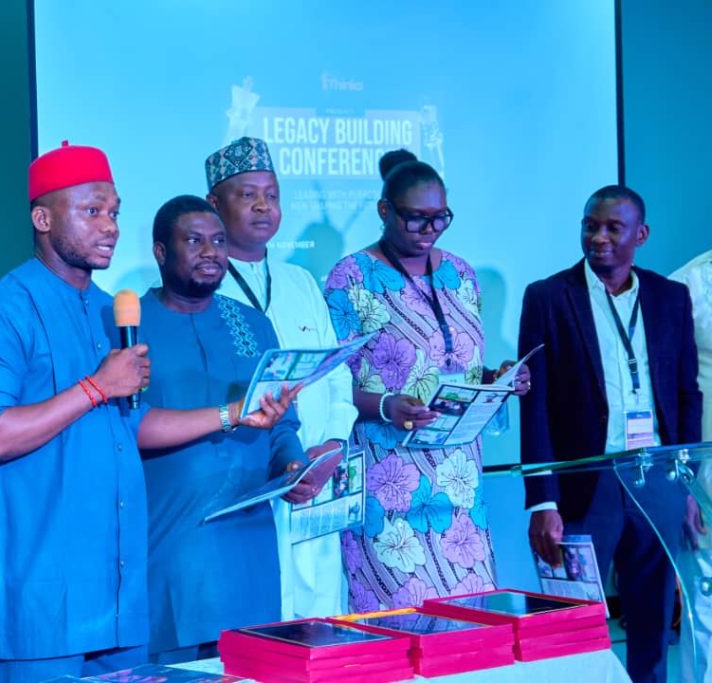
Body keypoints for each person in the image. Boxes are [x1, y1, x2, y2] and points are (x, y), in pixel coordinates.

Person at [0, 143, 297, 682]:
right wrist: (96, 386)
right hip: (48, 592)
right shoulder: (1, 310)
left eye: (114, 212)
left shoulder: (109, 310)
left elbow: (135, 424)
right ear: (43, 219)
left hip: (122, 589)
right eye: (92, 211)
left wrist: (233, 414)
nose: (110, 227)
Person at [323, 150, 530, 612]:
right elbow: (328, 386)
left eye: (441, 218)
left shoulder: (461, 273)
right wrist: (385, 405)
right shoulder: (350, 278)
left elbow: (459, 366)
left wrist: (497, 380)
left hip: (461, 487)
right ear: (384, 210)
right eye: (417, 218)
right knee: (399, 623)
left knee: (468, 624)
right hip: (387, 483)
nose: (430, 229)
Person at [520, 185, 702, 683]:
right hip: (585, 481)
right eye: (590, 226)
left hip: (656, 477)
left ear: (640, 235)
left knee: (653, 625)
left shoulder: (670, 297)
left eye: (613, 228)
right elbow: (535, 405)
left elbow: (687, 394)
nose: (598, 237)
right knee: (570, 624)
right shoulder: (548, 297)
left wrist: (686, 486)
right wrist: (542, 501)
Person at [139, 195, 330, 663]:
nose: (211, 252)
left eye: (219, 241)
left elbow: (282, 421)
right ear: (161, 251)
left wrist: (293, 466)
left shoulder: (253, 324)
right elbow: (125, 429)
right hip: (173, 546)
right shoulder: (128, 325)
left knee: (254, 662)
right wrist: (228, 414)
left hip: (250, 545)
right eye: (194, 241)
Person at [206, 136, 358, 619]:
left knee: (321, 622)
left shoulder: (301, 282)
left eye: (271, 195)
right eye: (247, 194)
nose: (262, 206)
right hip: (249, 488)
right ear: (214, 203)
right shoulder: (198, 287)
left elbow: (336, 375)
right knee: (261, 625)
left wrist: (332, 445)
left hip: (316, 480)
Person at [671, 249, 712, 682]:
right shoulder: (688, 285)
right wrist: (680, 488)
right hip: (705, 479)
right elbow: (667, 390)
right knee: (706, 611)